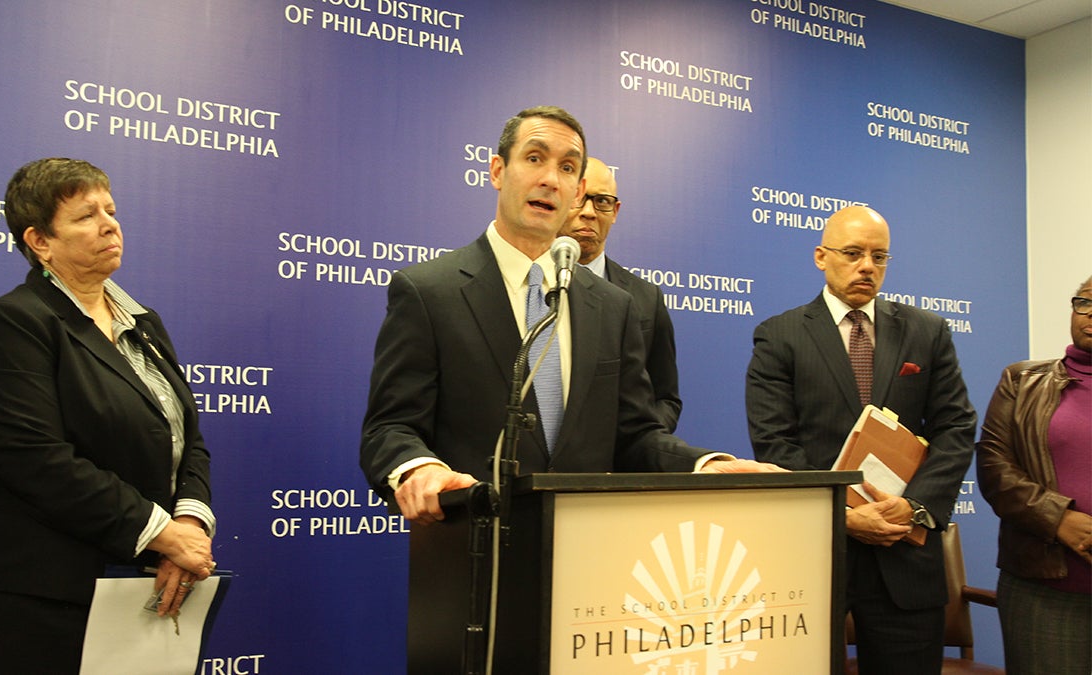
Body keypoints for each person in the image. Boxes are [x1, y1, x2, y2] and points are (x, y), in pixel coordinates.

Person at [360, 106, 779, 526]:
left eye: (566, 167)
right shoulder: (431, 291)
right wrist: (419, 468)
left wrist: (703, 465)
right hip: (473, 551)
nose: (549, 179)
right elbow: (390, 429)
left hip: (590, 551)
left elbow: (635, 436)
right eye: (534, 158)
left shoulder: (612, 306)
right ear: (497, 171)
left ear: (576, 191)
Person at [0, 158, 216, 673]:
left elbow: (186, 438)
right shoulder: (15, 321)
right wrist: (159, 532)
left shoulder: (143, 322)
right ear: (40, 241)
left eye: (111, 209)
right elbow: (32, 458)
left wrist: (189, 521)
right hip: (24, 593)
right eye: (86, 216)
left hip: (124, 583)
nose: (109, 223)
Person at [745, 205, 976, 674]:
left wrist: (913, 507)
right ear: (820, 256)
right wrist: (845, 514)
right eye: (852, 253)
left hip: (905, 559)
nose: (867, 266)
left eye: (879, 256)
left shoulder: (927, 331)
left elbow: (956, 428)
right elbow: (775, 445)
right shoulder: (780, 336)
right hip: (815, 558)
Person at [976, 275, 1092, 675]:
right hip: (1044, 591)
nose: (1091, 315)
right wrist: (1058, 519)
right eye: (1084, 303)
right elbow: (994, 468)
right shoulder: (1022, 381)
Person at [558, 157, 681, 431]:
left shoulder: (646, 299)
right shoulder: (526, 283)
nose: (589, 212)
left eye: (602, 201)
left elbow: (666, 398)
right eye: (579, 198)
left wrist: (635, 443)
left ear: (615, 211)